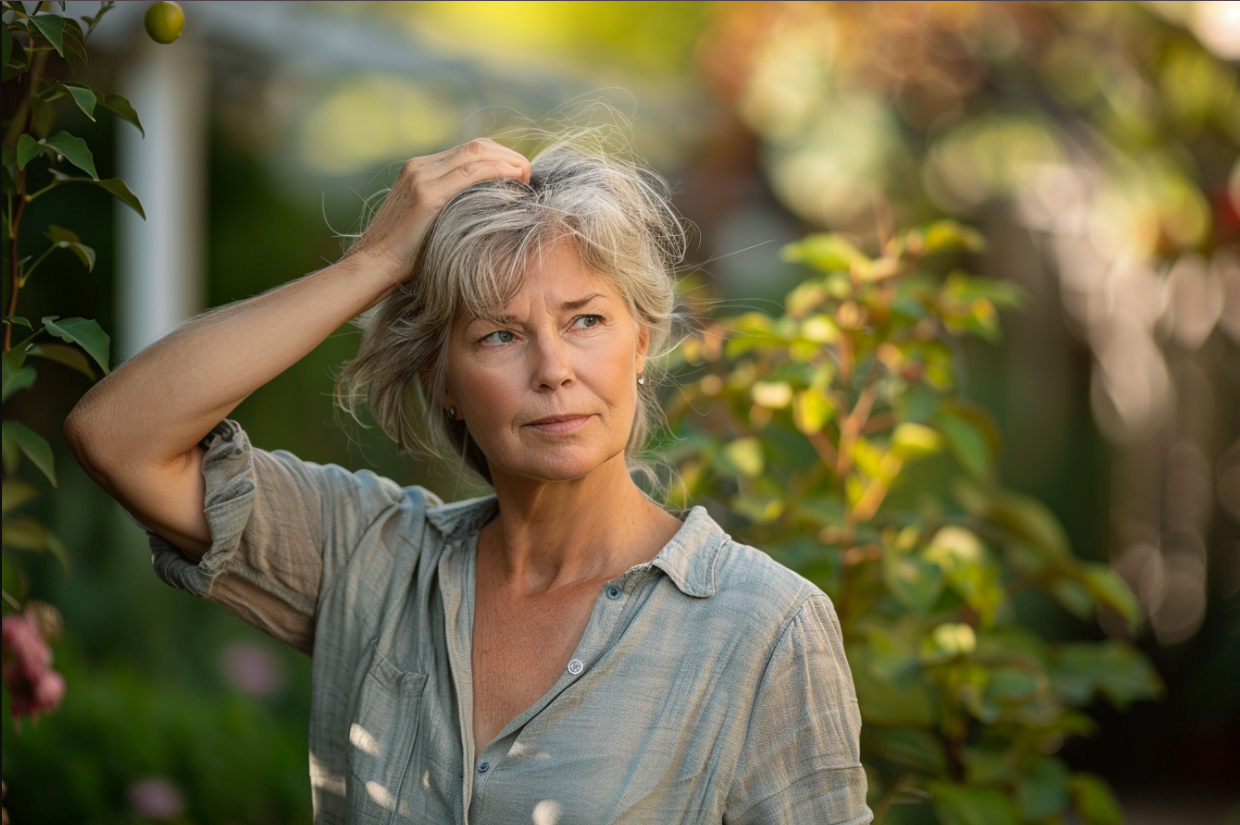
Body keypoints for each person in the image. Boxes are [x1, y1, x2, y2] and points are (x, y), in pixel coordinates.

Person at [65, 129, 874, 825]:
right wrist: (374, 262)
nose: (554, 369)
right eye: (499, 335)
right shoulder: (371, 558)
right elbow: (117, 435)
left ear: (643, 342)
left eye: (586, 319)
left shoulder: (763, 627)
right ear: (441, 376)